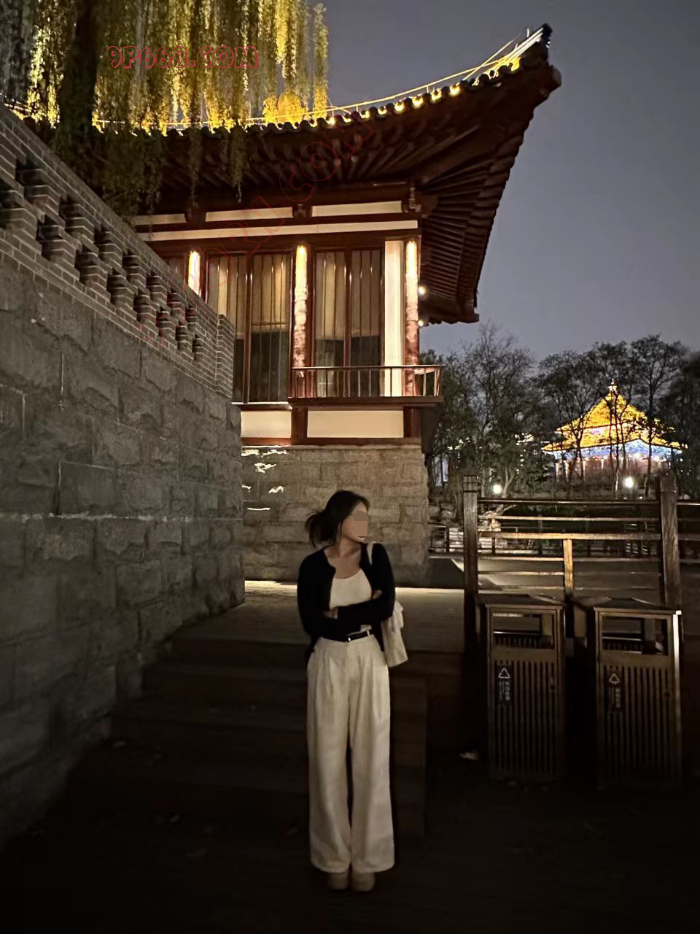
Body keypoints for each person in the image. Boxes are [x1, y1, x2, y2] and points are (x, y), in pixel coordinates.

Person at [296, 490, 396, 893]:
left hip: (369, 657)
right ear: (340, 521)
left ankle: (369, 856)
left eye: (367, 517)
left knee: (372, 756)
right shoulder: (312, 567)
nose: (365, 524)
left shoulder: (376, 557)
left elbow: (384, 607)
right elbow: (311, 622)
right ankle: (333, 855)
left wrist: (339, 614)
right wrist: (353, 613)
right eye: (359, 517)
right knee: (326, 758)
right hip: (328, 660)